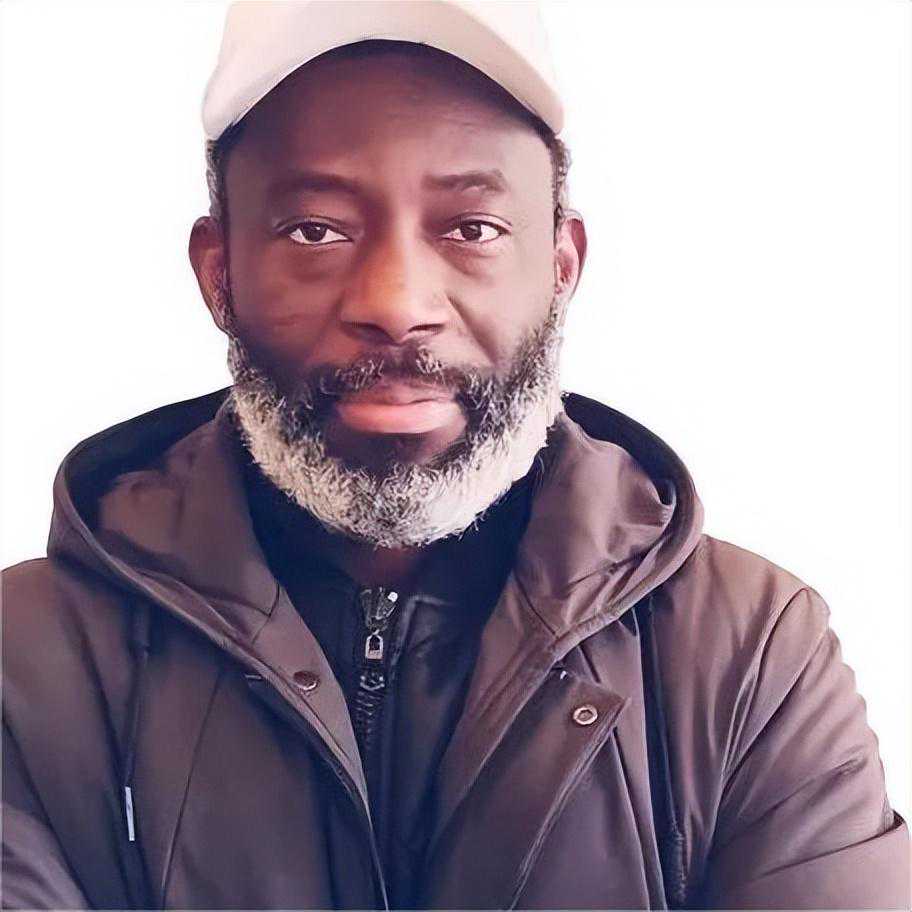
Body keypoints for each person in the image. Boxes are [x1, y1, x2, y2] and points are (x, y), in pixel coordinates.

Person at [2, 1, 908, 909]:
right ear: (219, 274)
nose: (397, 304)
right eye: (315, 229)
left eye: (472, 229)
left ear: (561, 267)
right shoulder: (28, 658)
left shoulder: (749, 654)